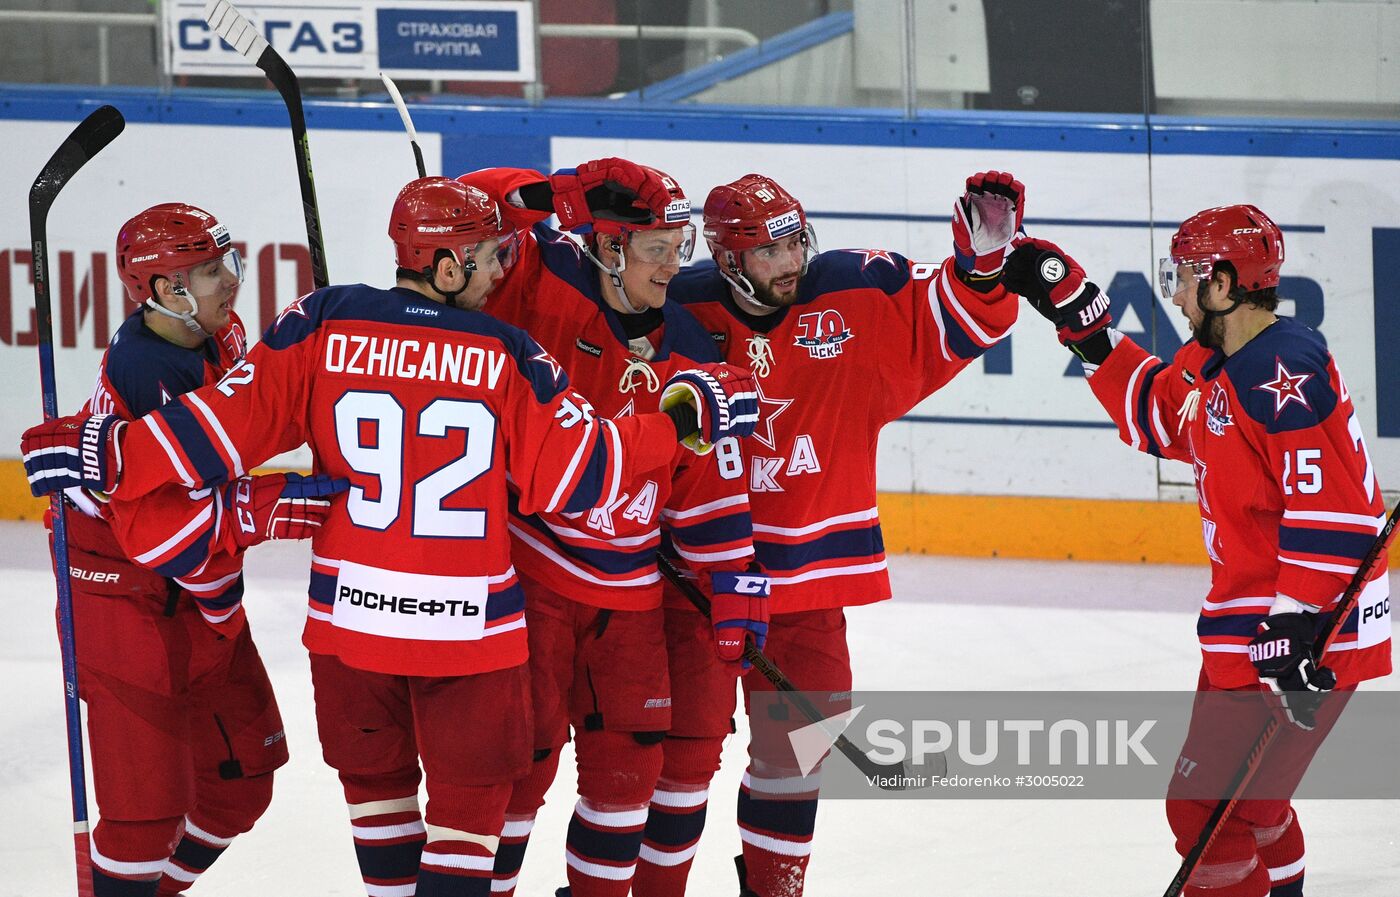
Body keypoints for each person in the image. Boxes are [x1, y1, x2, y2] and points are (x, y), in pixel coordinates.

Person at [21, 177, 759, 897]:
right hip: (469, 631)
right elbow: (586, 473)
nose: (506, 268)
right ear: (446, 266)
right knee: (467, 828)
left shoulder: (320, 320)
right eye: (490, 255)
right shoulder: (511, 353)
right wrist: (681, 423)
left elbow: (214, 430)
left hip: (350, 628)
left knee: (380, 800)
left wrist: (111, 452)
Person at [646, 172, 1025, 896]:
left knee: (794, 765)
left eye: (796, 242)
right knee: (676, 762)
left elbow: (962, 320)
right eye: (770, 251)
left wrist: (982, 267)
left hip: (806, 591)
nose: (791, 261)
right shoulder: (679, 304)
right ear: (728, 261)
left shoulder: (852, 292)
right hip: (692, 585)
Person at [1000, 205, 1392, 897]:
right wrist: (1081, 322)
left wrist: (1294, 619)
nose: (1175, 294)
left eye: (1184, 278)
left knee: (1205, 811)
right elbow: (1156, 411)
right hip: (1263, 626)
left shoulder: (1282, 369)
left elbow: (1339, 511)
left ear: (1223, 282)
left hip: (1302, 633)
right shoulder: (1218, 361)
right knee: (1253, 812)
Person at [458, 159, 766, 897]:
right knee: (521, 771)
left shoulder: (691, 344)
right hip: (526, 576)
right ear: (609, 245)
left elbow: (708, 488)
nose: (672, 265)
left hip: (628, 595)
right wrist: (553, 188)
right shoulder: (543, 277)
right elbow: (470, 216)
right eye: (656, 247)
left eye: (678, 246)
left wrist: (738, 591)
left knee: (629, 778)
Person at [40, 203, 341, 897]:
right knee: (143, 820)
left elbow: (252, 414)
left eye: (224, 262)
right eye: (208, 271)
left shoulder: (217, 331)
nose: (228, 282)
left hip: (195, 583)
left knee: (242, 780)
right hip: (118, 585)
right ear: (162, 290)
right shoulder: (147, 372)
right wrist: (264, 508)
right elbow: (163, 533)